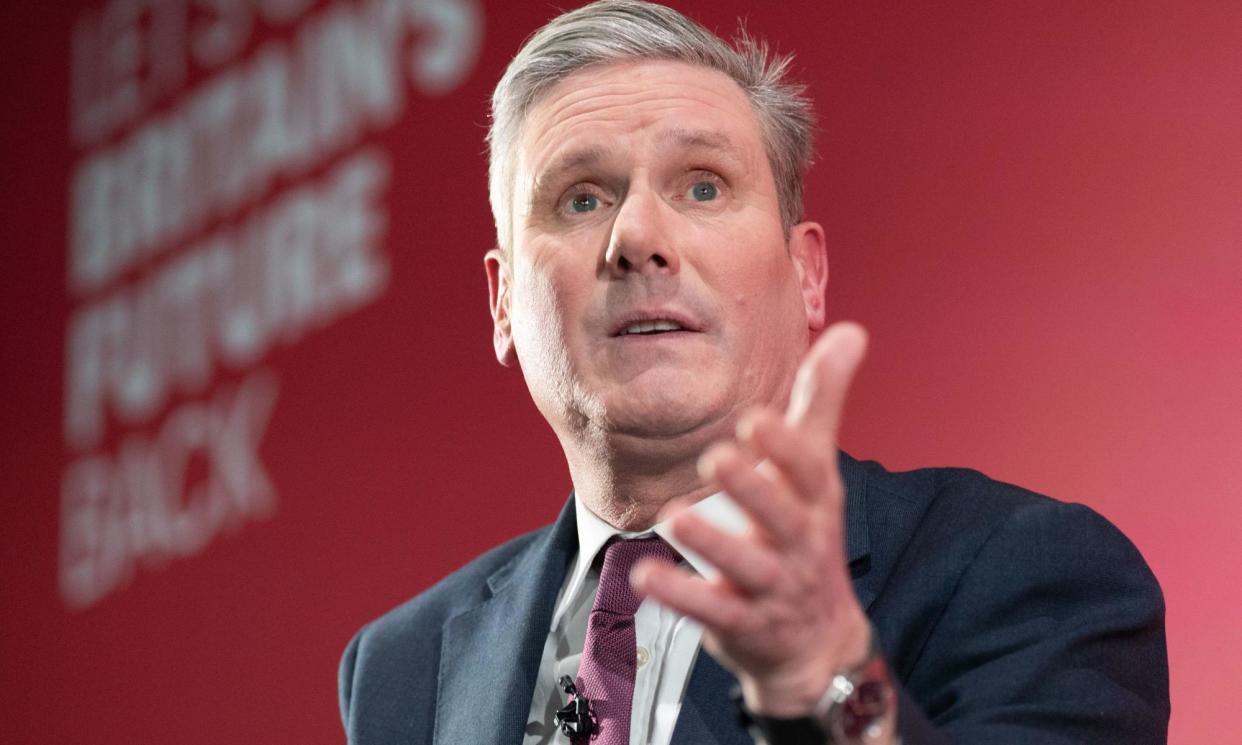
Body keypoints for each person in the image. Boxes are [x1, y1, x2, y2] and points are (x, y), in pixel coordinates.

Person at [338, 2, 1169, 743]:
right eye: (581, 198)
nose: (637, 237)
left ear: (805, 273)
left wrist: (831, 687)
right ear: (502, 304)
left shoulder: (1030, 576)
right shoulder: (400, 668)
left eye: (702, 185)